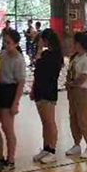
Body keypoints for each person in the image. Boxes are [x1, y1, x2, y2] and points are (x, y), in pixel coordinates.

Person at [0, 28, 26, 172]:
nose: (6, 45)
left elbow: (21, 83)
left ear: (16, 44)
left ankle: (10, 160)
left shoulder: (19, 60)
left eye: (9, 43)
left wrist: (15, 103)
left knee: (7, 128)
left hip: (10, 91)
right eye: (4, 42)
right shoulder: (3, 54)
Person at [31, 29, 64, 164]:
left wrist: (39, 50)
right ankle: (46, 147)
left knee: (50, 121)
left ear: (45, 41)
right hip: (39, 89)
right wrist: (33, 89)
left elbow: (43, 69)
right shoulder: (45, 54)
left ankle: (52, 150)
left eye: (41, 40)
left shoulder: (55, 56)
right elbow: (37, 72)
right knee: (44, 122)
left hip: (48, 90)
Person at [65, 31, 87, 159]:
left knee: (85, 118)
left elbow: (82, 78)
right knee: (74, 118)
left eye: (75, 42)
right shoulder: (75, 57)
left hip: (83, 91)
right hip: (73, 91)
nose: (74, 45)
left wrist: (72, 83)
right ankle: (76, 143)